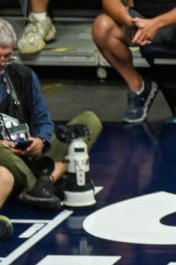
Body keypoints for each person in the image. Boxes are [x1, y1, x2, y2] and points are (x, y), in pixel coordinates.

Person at [0, 20, 102, 222]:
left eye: (7, 56)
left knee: (89, 121)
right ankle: (39, 187)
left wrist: (41, 141)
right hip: (5, 157)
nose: (4, 62)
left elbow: (44, 120)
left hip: (32, 154)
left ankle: (45, 182)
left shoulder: (24, 76)